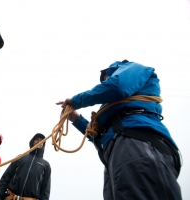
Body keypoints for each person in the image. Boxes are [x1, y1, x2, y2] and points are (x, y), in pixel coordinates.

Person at [57, 60, 182, 200]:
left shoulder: (133, 68)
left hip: (137, 139)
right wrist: (76, 119)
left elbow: (117, 86)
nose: (105, 82)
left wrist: (76, 101)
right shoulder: (112, 115)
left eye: (106, 78)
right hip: (117, 150)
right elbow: (100, 136)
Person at [0, 133, 51, 200]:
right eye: (37, 140)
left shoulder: (46, 165)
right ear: (32, 142)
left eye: (41, 141)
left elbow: (45, 190)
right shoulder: (20, 157)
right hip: (11, 197)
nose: (39, 142)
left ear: (43, 145)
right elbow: (6, 178)